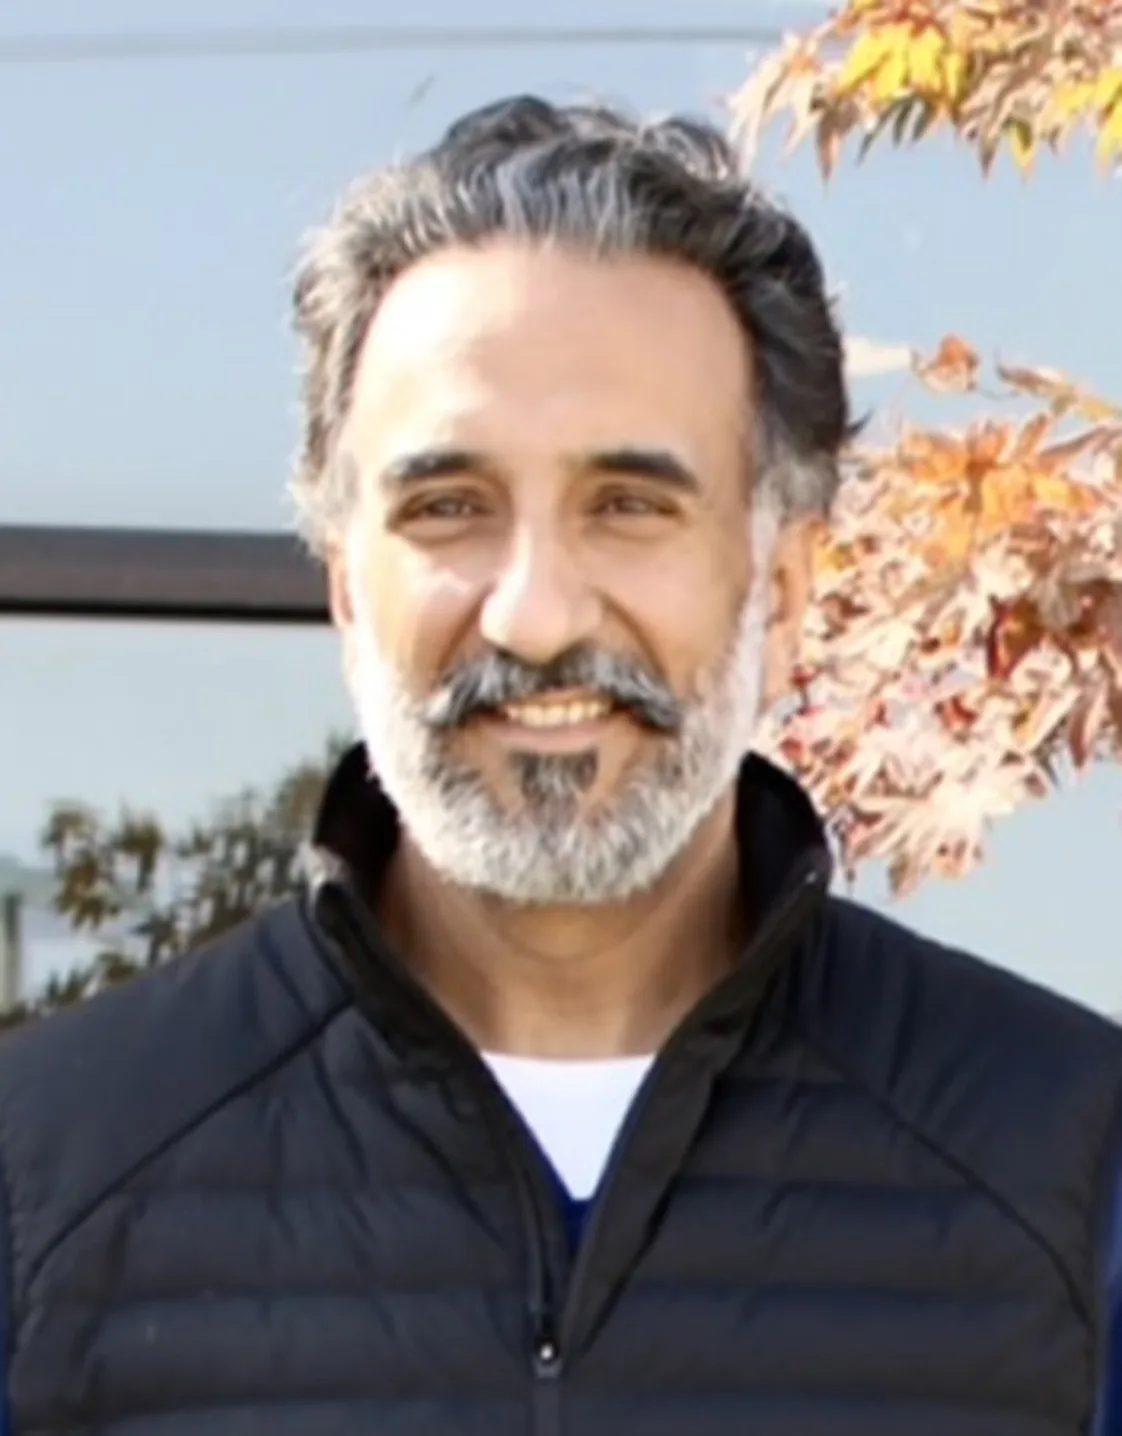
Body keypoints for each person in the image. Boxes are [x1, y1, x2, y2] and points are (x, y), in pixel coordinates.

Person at [0, 93, 1119, 1436]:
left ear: (786, 579)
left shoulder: (1074, 1174)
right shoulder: (47, 1181)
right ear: (347, 585)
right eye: (448, 507)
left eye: (629, 506)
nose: (534, 614)